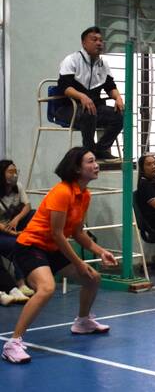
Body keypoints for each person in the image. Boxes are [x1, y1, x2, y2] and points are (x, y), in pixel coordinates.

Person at [2, 147, 118, 364]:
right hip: (30, 247)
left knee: (93, 278)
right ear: (76, 168)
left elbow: (77, 232)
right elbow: (57, 233)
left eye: (95, 161)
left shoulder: (84, 195)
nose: (96, 165)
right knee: (46, 288)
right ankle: (13, 343)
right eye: (91, 161)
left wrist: (101, 252)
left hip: (52, 248)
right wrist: (79, 262)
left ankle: (82, 322)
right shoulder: (62, 192)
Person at [56, 26, 124, 160]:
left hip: (93, 108)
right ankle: (88, 151)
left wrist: (118, 97)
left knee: (120, 115)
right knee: (89, 112)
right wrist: (82, 96)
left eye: (100, 40)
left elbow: (110, 86)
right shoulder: (72, 60)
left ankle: (101, 149)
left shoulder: (103, 64)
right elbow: (64, 86)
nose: (99, 43)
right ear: (84, 43)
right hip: (68, 108)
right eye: (94, 40)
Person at [0, 160, 35, 298]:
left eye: (15, 171)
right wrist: (14, 233)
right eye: (10, 172)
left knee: (33, 214)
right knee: (17, 243)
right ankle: (20, 283)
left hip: (13, 224)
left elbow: (27, 206)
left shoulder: (18, 187)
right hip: (2, 230)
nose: (14, 175)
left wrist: (17, 219)